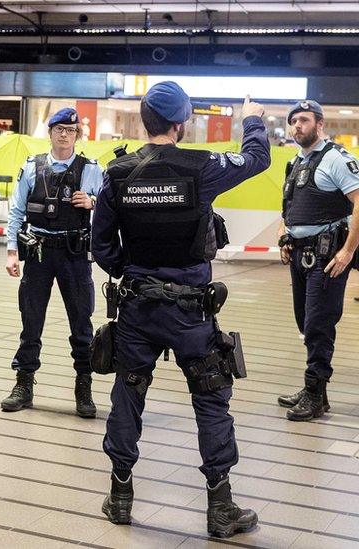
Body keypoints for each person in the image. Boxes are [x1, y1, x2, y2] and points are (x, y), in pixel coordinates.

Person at [91, 82, 269, 538]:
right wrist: (251, 120)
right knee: (210, 398)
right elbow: (257, 159)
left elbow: (102, 246)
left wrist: (131, 270)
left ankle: (121, 495)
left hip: (136, 308)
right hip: (192, 310)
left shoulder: (117, 173)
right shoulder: (203, 167)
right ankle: (220, 507)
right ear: (181, 123)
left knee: (128, 394)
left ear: (143, 122)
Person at [1, 107, 103, 418]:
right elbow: (17, 211)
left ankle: (83, 387)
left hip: (74, 254)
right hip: (39, 254)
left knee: (81, 324)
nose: (63, 134)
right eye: (58, 128)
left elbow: (110, 211)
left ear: (77, 135)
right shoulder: (32, 166)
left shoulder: (91, 169)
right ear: (50, 132)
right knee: (31, 323)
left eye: (70, 130)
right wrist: (11, 251)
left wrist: (93, 202)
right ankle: (24, 384)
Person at [276, 100, 359, 421]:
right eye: (293, 121)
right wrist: (285, 237)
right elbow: (288, 206)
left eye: (304, 120)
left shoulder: (336, 159)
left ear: (320, 124)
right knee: (305, 322)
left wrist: (348, 250)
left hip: (328, 256)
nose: (297, 126)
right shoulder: (295, 162)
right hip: (300, 253)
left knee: (319, 324)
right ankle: (317, 391)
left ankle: (314, 392)